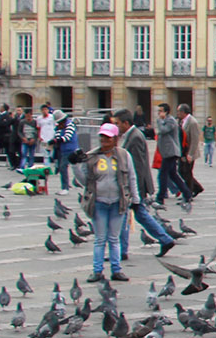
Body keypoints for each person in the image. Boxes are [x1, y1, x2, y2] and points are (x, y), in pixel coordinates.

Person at [112, 110, 177, 259]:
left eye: (118, 123)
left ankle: (121, 251)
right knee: (141, 215)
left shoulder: (135, 137)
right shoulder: (132, 135)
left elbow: (137, 166)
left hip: (134, 185)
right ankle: (166, 240)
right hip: (136, 185)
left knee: (123, 216)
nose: (117, 126)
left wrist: (134, 190)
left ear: (126, 123)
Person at [79, 123, 137, 283]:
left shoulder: (124, 155)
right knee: (100, 239)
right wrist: (76, 165)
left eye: (108, 138)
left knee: (114, 238)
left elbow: (131, 177)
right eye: (102, 137)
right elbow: (83, 180)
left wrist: (136, 199)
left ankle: (116, 270)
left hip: (118, 202)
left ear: (116, 139)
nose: (104, 140)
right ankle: (97, 271)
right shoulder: (92, 156)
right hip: (99, 202)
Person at [154, 104, 185, 204]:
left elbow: (163, 130)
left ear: (166, 112)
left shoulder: (170, 120)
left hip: (171, 152)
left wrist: (159, 120)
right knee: (173, 175)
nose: (159, 113)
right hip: (168, 152)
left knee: (162, 175)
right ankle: (187, 193)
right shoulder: (166, 121)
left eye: (161, 111)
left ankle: (160, 197)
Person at [51, 109, 80, 191]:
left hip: (70, 149)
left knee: (63, 167)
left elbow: (67, 137)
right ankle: (67, 184)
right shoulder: (59, 126)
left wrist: (56, 140)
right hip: (62, 150)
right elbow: (57, 136)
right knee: (63, 167)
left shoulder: (70, 124)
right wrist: (54, 140)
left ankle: (65, 187)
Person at [180, 104, 205, 196]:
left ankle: (189, 193)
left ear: (183, 112)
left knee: (187, 172)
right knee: (182, 171)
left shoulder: (192, 122)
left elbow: (195, 140)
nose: (178, 113)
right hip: (183, 151)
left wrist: (190, 154)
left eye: (179, 111)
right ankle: (197, 188)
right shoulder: (182, 121)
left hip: (189, 151)